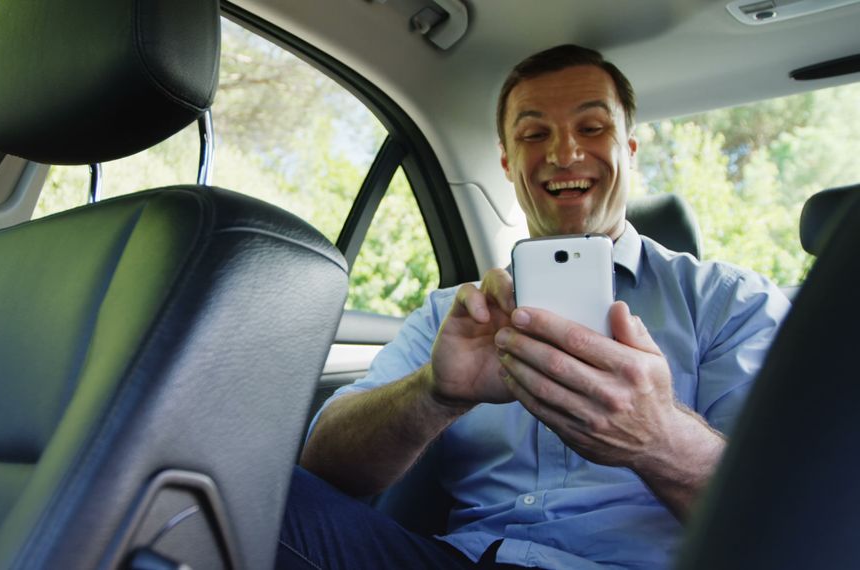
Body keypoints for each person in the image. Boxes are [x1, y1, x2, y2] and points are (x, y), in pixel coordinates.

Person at [276, 45, 791, 569]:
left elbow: (790, 515)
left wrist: (657, 436)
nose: (564, 154)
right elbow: (322, 465)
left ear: (629, 148)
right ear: (507, 160)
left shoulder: (730, 302)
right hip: (455, 559)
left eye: (592, 128)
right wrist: (434, 392)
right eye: (534, 134)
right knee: (253, 489)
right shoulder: (453, 316)